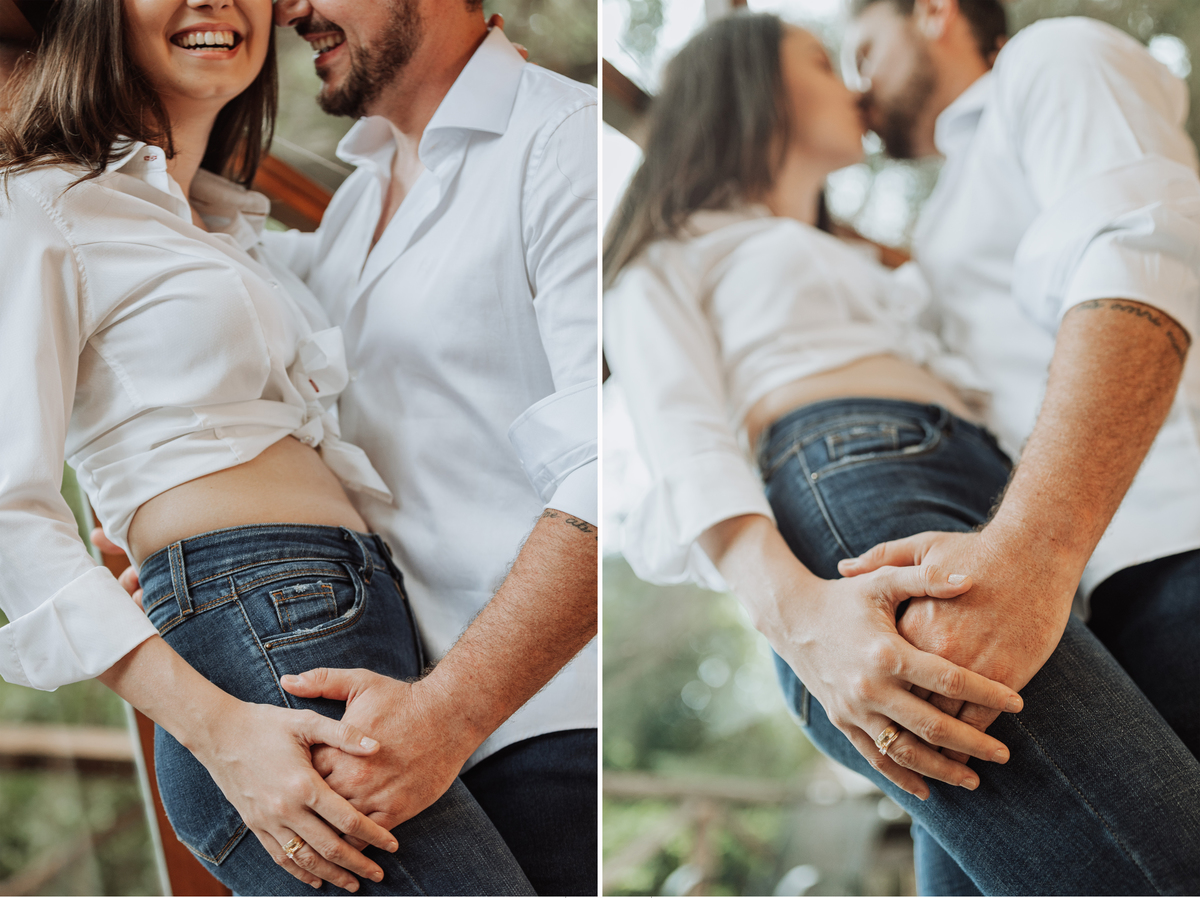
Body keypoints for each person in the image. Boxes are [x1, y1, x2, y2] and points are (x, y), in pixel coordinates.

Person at [603, 12, 1200, 895]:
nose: (853, 83)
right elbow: (684, 440)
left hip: (989, 494)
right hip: (861, 485)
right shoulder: (674, 244)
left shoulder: (877, 260)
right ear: (751, 88)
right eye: (822, 59)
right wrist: (798, 616)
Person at [0, 0, 534, 893]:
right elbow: (9, 511)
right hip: (255, 654)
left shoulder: (225, 230)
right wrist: (220, 729)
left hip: (344, 625)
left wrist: (479, 107)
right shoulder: (42, 200)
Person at [839, 0, 1200, 889]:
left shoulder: (1053, 58)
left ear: (932, 12)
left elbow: (1142, 248)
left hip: (1173, 545)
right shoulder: (953, 207)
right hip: (1087, 604)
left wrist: (1034, 550)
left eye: (863, 48)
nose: (858, 83)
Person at [258, 2, 600, 893]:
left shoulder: (566, 144)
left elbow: (616, 474)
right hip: (405, 738)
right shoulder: (356, 201)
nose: (290, 8)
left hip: (546, 737)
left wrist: (446, 717)